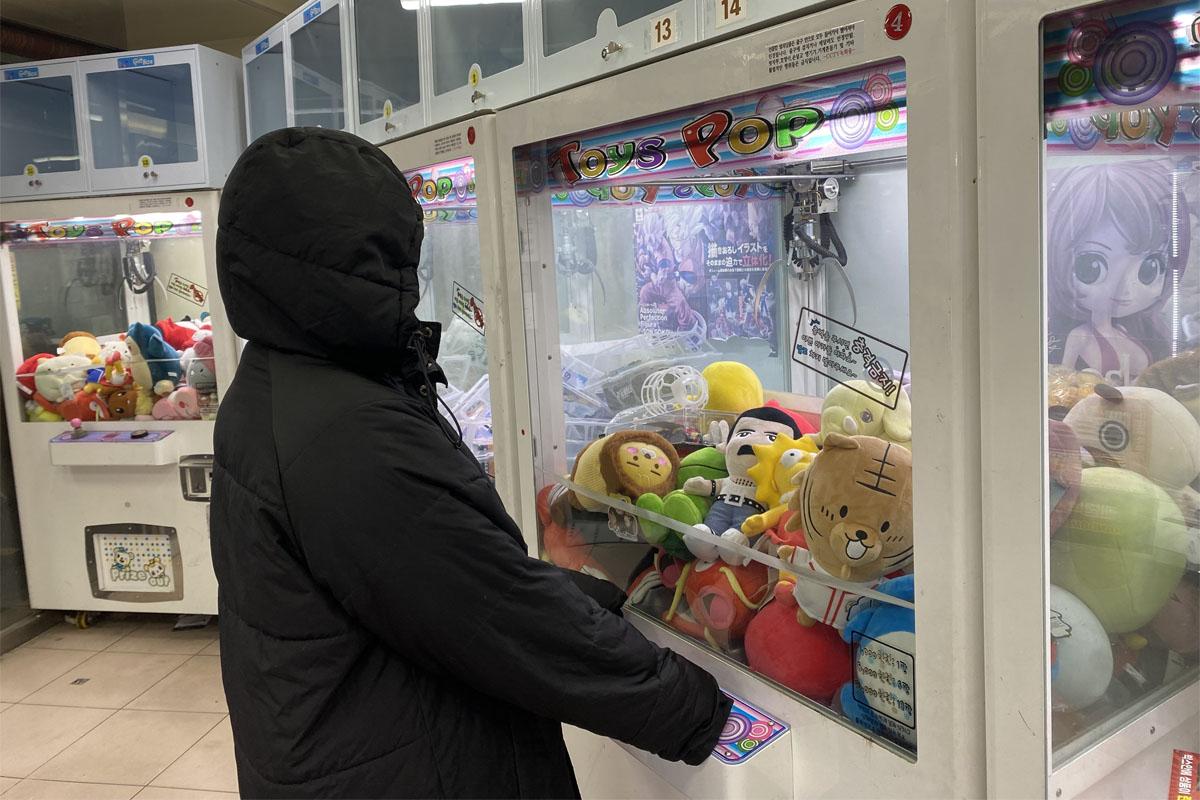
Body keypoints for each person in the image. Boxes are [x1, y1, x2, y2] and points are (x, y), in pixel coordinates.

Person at [210, 128, 731, 799]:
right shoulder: (348, 432)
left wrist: (569, 592)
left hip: (340, 744)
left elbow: (423, 582)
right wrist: (685, 705)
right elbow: (495, 615)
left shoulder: (280, 378)